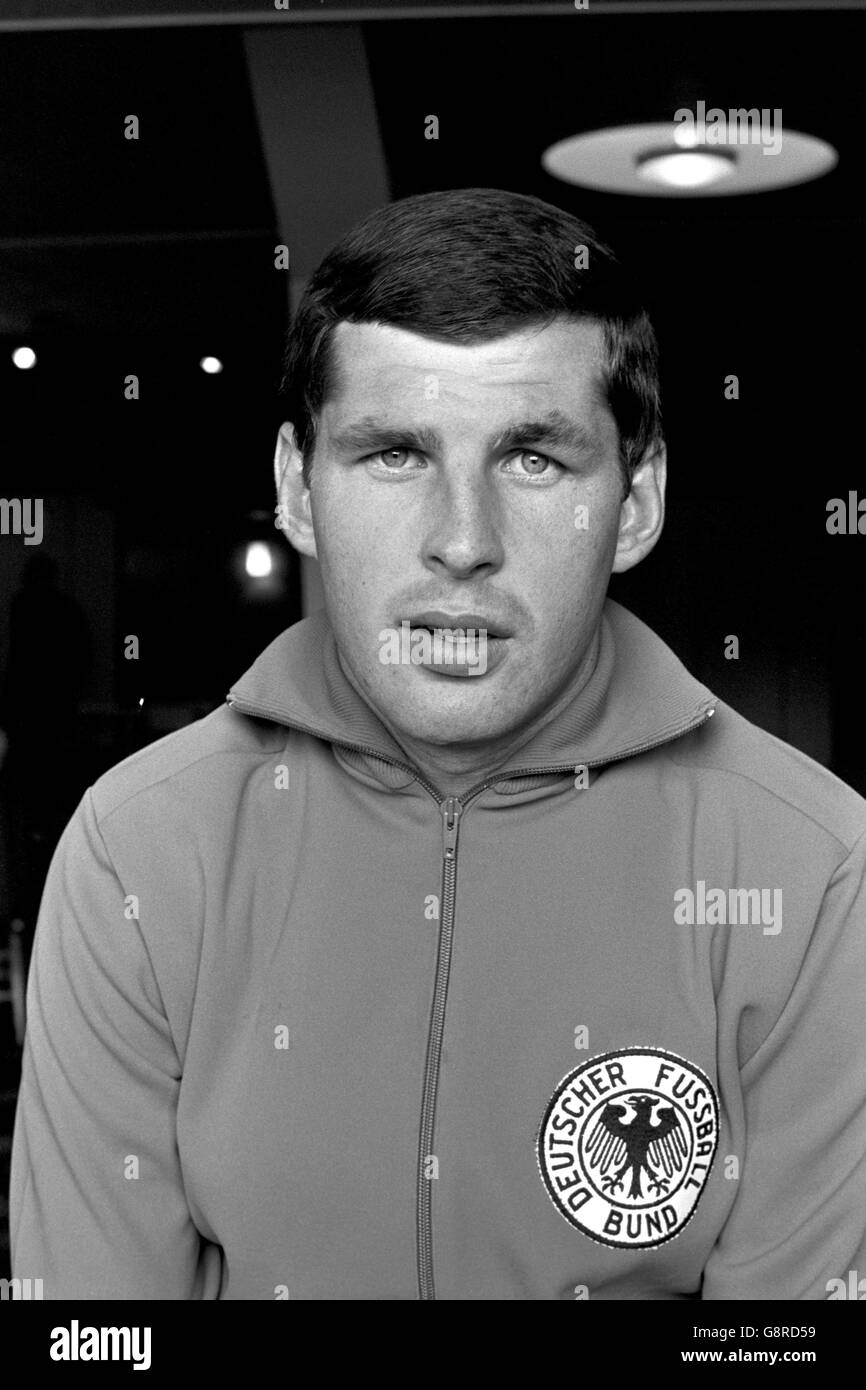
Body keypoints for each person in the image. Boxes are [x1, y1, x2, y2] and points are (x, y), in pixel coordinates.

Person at [10, 188, 866, 1300]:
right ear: (295, 490)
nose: (462, 543)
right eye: (394, 454)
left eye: (532, 459)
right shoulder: (139, 851)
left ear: (637, 500)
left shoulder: (809, 868)